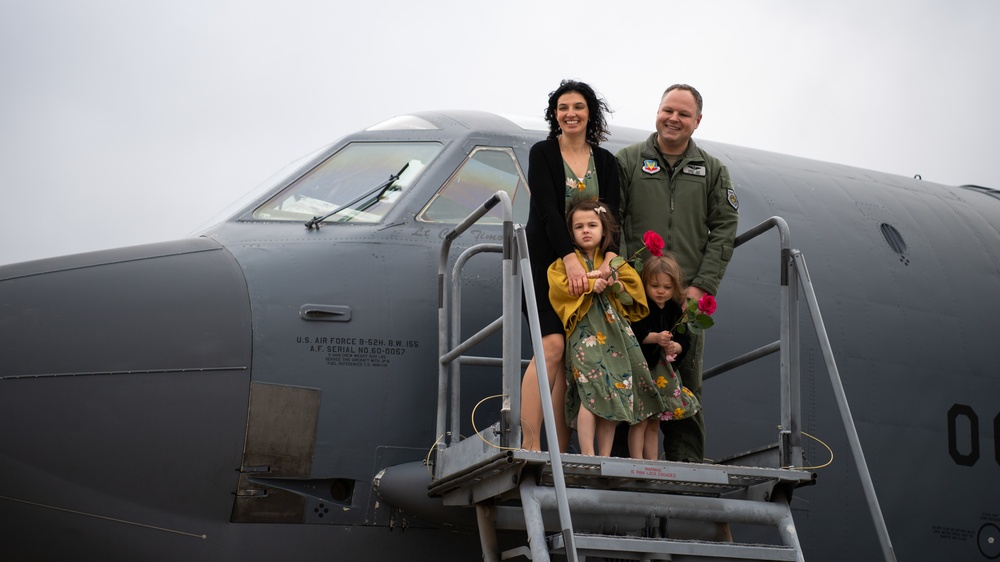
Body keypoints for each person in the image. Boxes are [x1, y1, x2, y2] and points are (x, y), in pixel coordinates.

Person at [616, 84, 739, 462]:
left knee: (684, 381)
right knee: (628, 377)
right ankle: (623, 463)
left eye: (684, 114)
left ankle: (686, 462)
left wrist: (703, 286)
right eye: (668, 110)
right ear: (657, 111)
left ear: (697, 121)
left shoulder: (713, 171)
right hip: (634, 296)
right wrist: (622, 276)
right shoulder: (629, 161)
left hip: (686, 299)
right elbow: (613, 222)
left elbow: (724, 227)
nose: (674, 118)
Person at [521, 80, 620, 452]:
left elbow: (614, 216)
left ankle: (561, 453)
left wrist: (610, 259)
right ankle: (528, 445)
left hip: (591, 267)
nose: (570, 113)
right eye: (563, 107)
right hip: (547, 259)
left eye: (578, 106)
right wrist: (568, 260)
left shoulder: (606, 162)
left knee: (573, 356)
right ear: (555, 114)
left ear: (589, 112)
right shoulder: (543, 153)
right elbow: (547, 211)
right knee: (551, 347)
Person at [548, 200, 661, 458]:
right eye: (579, 226)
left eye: (592, 225)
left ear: (604, 230)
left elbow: (634, 291)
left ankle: (604, 456)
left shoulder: (615, 263)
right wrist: (589, 285)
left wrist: (615, 283)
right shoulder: (564, 264)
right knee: (591, 391)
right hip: (585, 335)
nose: (586, 230)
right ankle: (588, 454)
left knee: (614, 392)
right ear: (571, 233)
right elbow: (559, 288)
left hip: (615, 336)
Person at [630, 254, 701, 460]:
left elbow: (684, 340)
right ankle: (636, 461)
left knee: (654, 422)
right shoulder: (642, 306)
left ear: (675, 287)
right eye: (654, 286)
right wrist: (656, 338)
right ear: (645, 284)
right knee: (640, 420)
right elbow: (634, 332)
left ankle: (652, 464)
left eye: (667, 288)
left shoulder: (674, 310)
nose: (661, 291)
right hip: (644, 371)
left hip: (662, 374)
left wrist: (675, 347)